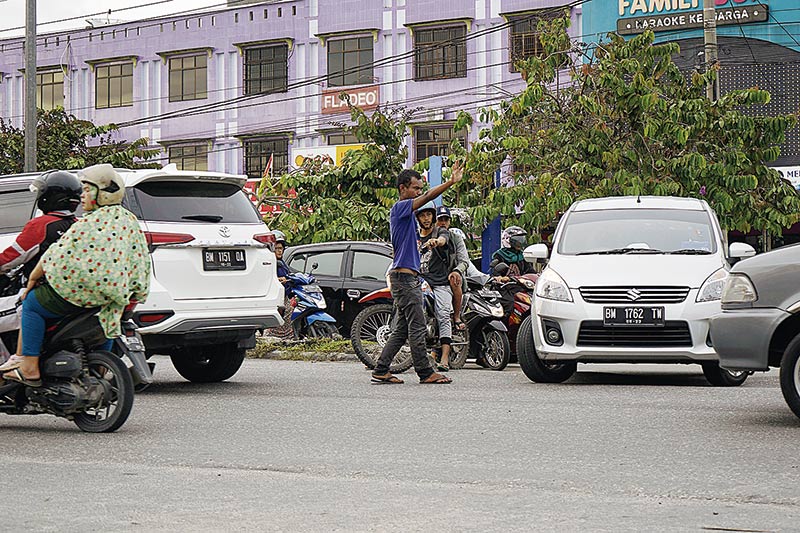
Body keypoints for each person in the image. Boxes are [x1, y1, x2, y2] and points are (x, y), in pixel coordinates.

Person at [2, 164, 151, 387]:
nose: (82, 196)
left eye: (86, 190)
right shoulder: (126, 220)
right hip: (119, 293)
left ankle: (29, 365)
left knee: (31, 302)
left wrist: (33, 280)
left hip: (81, 294)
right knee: (108, 316)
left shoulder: (85, 224)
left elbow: (54, 258)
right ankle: (99, 369)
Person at [370, 163, 463, 384]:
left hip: (407, 278)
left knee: (402, 330)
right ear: (403, 189)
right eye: (415, 188)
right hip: (405, 279)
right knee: (418, 327)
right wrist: (450, 182)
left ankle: (381, 369)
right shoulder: (400, 208)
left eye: (420, 189)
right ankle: (425, 372)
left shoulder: (408, 218)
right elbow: (430, 196)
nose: (419, 193)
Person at [0, 171, 82, 370]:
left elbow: (11, 258)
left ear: (48, 197)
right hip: (77, 296)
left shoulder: (41, 225)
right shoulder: (79, 226)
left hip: (44, 294)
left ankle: (4, 372)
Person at [417, 202, 455, 372]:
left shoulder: (440, 231)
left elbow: (443, 239)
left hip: (440, 282)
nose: (426, 219)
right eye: (422, 215)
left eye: (429, 215)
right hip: (419, 281)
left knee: (443, 314)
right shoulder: (414, 235)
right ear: (417, 218)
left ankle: (445, 358)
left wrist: (436, 242)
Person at [435, 207, 470, 333]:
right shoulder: (425, 235)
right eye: (440, 219)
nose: (443, 222)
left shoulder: (456, 238)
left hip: (448, 277)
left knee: (455, 280)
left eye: (446, 219)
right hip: (429, 276)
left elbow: (464, 261)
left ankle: (456, 316)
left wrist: (456, 271)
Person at [489, 226, 535, 317]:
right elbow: (495, 272)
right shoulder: (499, 255)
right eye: (517, 240)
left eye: (521, 240)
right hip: (505, 288)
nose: (520, 243)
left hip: (519, 285)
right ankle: (505, 327)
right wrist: (500, 278)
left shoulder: (522, 256)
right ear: (508, 240)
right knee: (511, 304)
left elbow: (529, 270)